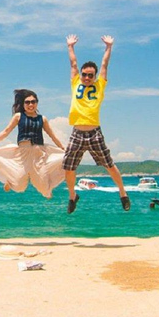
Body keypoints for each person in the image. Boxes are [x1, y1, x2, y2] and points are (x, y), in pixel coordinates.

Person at [62, 34, 130, 214]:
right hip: (76, 131)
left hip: (94, 132)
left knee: (109, 164)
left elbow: (105, 65)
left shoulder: (100, 85)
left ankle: (123, 193)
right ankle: (72, 196)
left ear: (94, 76)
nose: (86, 77)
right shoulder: (75, 82)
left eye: (90, 75)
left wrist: (108, 47)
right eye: (84, 74)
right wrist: (70, 46)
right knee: (68, 167)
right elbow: (73, 64)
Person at [0, 89, 66, 198]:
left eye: (33, 102)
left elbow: (52, 135)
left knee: (44, 188)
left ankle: (48, 187)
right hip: (22, 155)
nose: (30, 104)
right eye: (27, 102)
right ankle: (9, 181)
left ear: (37, 103)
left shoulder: (42, 119)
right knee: (19, 187)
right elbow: (6, 131)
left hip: (38, 155)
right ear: (23, 104)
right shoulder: (18, 116)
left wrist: (62, 148)